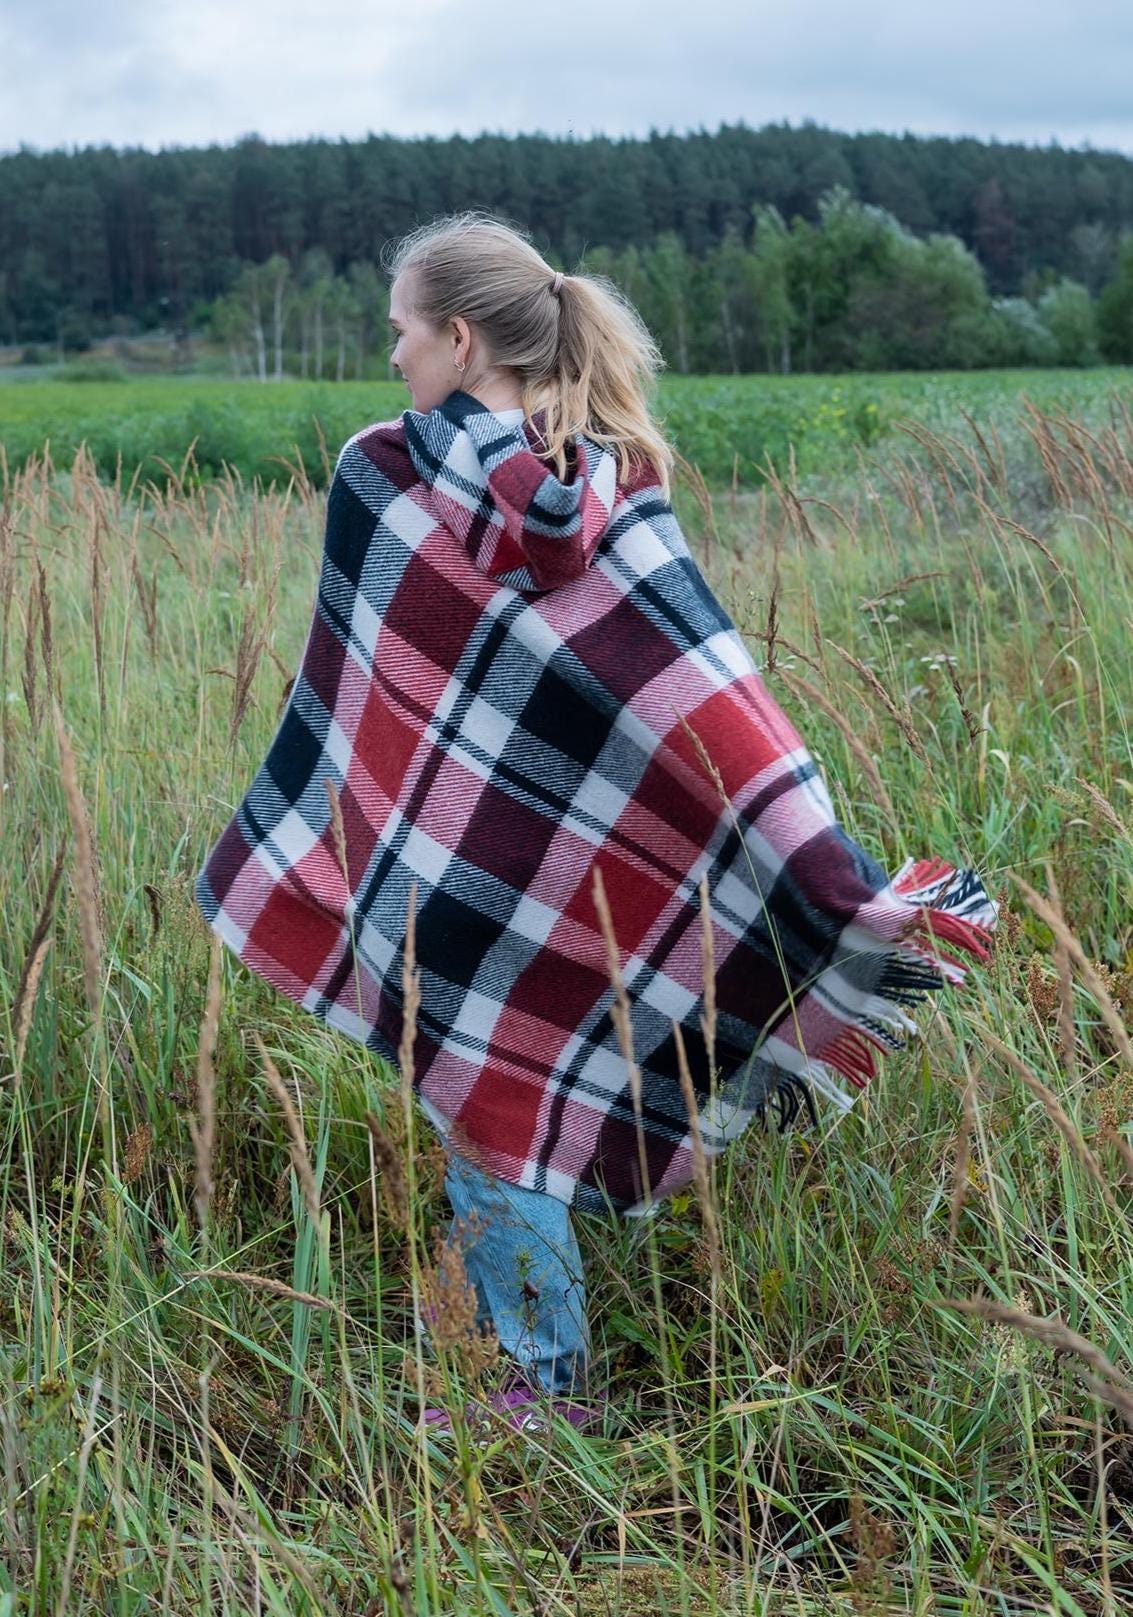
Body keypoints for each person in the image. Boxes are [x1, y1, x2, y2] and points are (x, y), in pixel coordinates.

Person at [194, 210, 998, 1438]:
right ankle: (527, 1361)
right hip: (548, 872)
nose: (391, 356)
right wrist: (821, 871)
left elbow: (394, 688)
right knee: (509, 1089)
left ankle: (532, 1391)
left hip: (453, 870)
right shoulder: (619, 476)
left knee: (488, 1099)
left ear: (459, 338)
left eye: (400, 331)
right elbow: (710, 702)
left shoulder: (383, 469)